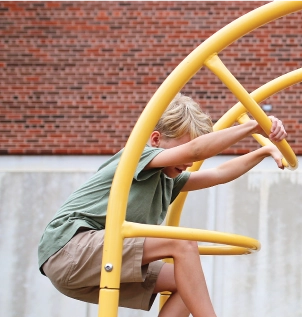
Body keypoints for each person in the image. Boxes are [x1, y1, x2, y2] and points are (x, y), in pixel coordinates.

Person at [38, 93, 287, 317]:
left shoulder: (168, 180)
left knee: (187, 284)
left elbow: (219, 173)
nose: (189, 162)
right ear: (156, 139)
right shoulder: (136, 156)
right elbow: (195, 152)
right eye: (185, 149)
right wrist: (255, 125)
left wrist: (263, 152)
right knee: (182, 244)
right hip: (69, 248)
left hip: (99, 256)